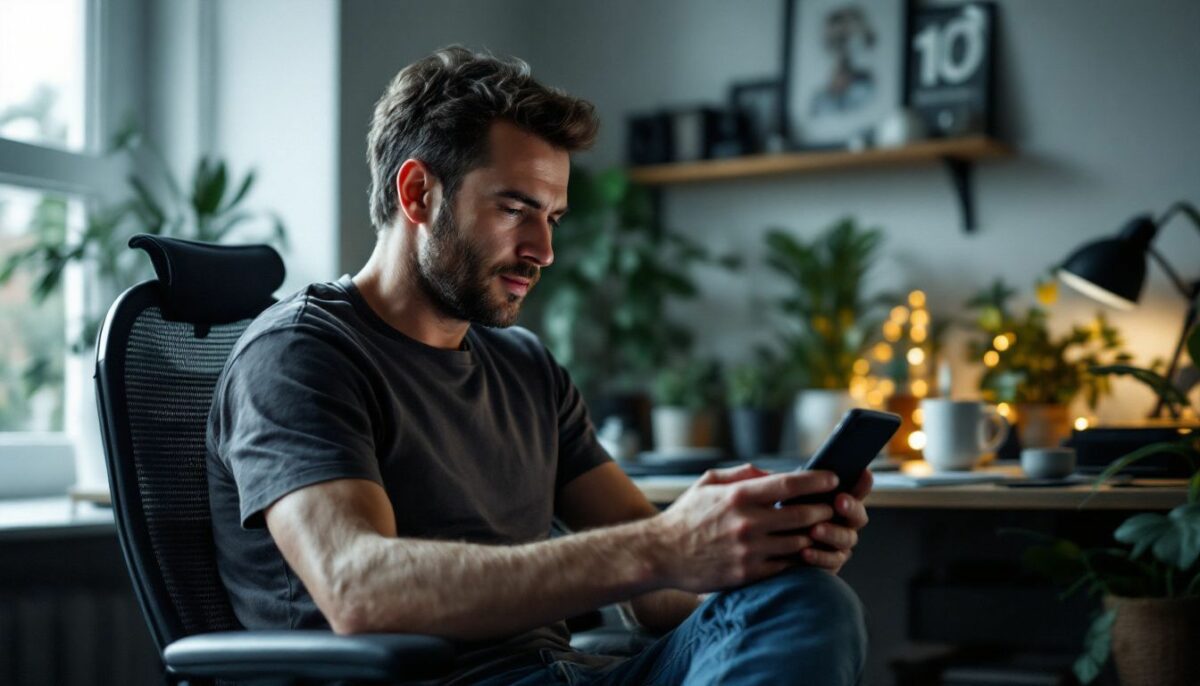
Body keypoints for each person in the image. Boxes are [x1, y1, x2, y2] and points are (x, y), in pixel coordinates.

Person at [207, 46, 871, 686]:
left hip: (563, 673)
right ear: (419, 195)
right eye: (514, 210)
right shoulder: (297, 355)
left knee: (806, 602)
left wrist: (757, 560)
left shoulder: (524, 366)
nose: (543, 250)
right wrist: (660, 545)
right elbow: (358, 589)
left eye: (552, 217)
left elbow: (656, 591)